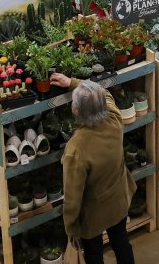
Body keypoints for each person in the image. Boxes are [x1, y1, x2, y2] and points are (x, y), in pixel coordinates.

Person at [50, 74, 136, 264]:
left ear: (75, 110)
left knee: (94, 254)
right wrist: (72, 82)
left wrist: (71, 229)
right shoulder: (114, 119)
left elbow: (73, 198)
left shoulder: (76, 148)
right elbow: (103, 92)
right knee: (121, 242)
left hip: (93, 213)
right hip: (119, 200)